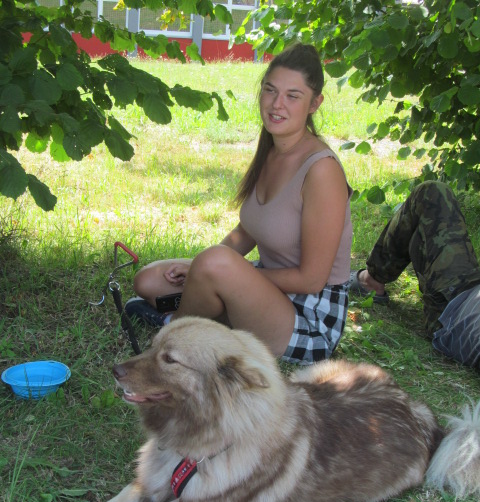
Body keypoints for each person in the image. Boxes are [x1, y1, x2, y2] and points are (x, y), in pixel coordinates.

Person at [125, 44, 353, 365]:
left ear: (315, 103)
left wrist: (216, 271)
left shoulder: (322, 170)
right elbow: (247, 232)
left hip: (309, 317)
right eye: (270, 90)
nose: (276, 104)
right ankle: (210, 321)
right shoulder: (272, 151)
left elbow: (311, 279)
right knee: (149, 281)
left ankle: (175, 334)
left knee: (214, 264)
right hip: (267, 290)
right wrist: (201, 269)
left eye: (293, 96)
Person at [349, 181, 480, 370]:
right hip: (471, 291)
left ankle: (371, 281)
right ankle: (374, 278)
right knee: (433, 193)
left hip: (455, 309)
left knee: (429, 195)